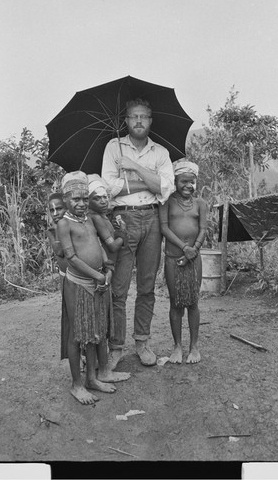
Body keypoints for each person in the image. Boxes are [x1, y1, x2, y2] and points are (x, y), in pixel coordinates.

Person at [101, 98, 175, 369]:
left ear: (150, 120)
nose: (139, 121)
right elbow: (108, 188)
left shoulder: (161, 152)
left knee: (146, 286)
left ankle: (142, 342)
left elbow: (165, 189)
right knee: (118, 287)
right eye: (134, 117)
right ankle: (116, 346)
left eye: (144, 116)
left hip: (153, 219)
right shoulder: (113, 147)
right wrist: (148, 181)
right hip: (122, 218)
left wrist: (133, 167)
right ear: (126, 120)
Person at [57, 171, 130, 405]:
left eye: (84, 199)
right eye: (75, 199)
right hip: (78, 284)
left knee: (94, 331)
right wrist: (97, 275)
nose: (80, 203)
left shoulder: (89, 219)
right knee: (78, 334)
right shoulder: (64, 223)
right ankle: (76, 385)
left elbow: (102, 247)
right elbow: (71, 257)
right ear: (65, 199)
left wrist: (106, 269)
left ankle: (91, 378)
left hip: (97, 281)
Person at [158, 159, 207, 364]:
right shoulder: (166, 201)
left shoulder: (200, 204)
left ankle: (194, 347)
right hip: (173, 258)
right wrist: (184, 248)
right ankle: (177, 346)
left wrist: (193, 250)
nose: (188, 185)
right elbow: (164, 228)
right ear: (175, 181)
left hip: (194, 260)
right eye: (183, 181)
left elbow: (203, 229)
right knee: (176, 303)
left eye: (192, 182)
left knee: (193, 302)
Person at [46, 193, 69, 361]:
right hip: (66, 277)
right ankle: (77, 356)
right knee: (70, 316)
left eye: (59, 208)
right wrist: (55, 232)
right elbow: (60, 252)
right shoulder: (52, 229)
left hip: (81, 277)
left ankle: (89, 354)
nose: (55, 213)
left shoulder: (72, 225)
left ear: (66, 207)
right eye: (51, 210)